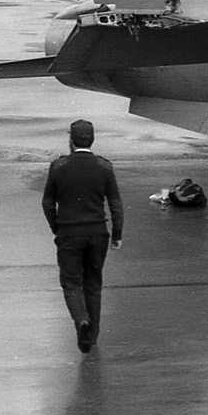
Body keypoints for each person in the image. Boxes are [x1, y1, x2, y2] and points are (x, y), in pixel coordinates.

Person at [41, 119, 124, 354]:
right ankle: (92, 337)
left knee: (71, 282)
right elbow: (115, 203)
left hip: (69, 233)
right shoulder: (104, 167)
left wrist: (55, 225)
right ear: (92, 140)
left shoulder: (58, 167)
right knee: (93, 284)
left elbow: (47, 201)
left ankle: (81, 320)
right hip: (98, 233)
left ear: (71, 140)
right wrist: (117, 233)